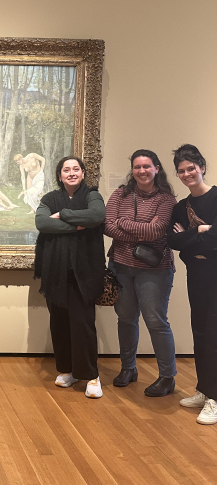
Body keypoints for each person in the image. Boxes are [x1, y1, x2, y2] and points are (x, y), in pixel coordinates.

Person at [104, 149, 177, 396]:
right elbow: (107, 225)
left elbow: (157, 231)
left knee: (156, 322)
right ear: (132, 170)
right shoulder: (120, 193)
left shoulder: (166, 199)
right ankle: (128, 368)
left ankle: (167, 377)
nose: (142, 171)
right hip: (121, 266)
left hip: (155, 270)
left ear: (157, 168)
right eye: (137, 167)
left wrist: (123, 224)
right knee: (126, 319)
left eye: (147, 166)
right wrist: (139, 229)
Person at [34, 156, 106, 398]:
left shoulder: (92, 196)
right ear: (59, 175)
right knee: (59, 322)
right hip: (55, 272)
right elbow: (42, 222)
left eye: (76, 169)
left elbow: (96, 217)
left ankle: (91, 375)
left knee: (83, 323)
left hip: (84, 272)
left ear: (83, 173)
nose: (72, 173)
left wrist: (63, 214)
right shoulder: (48, 199)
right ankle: (67, 369)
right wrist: (76, 224)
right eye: (67, 169)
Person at [167, 145, 217, 424]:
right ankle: (204, 388)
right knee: (199, 330)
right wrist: (198, 230)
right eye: (182, 171)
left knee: (214, 333)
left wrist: (188, 236)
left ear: (202, 167)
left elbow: (216, 239)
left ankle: (215, 397)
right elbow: (171, 242)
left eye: (191, 168)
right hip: (196, 274)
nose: (187, 174)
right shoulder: (180, 207)